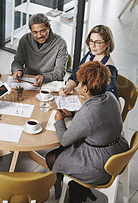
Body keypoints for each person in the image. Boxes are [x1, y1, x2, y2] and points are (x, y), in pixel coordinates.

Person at [46, 61, 129, 202]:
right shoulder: (110, 97)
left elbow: (65, 140)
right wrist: (72, 114)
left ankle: (76, 194)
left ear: (85, 89)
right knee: (68, 150)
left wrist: (59, 120)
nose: (77, 85)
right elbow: (95, 118)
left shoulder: (88, 114)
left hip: (100, 165)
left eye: (79, 83)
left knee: (51, 157)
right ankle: (79, 190)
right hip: (116, 151)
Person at [59, 25, 118, 98]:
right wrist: (67, 89)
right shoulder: (90, 55)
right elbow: (76, 75)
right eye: (91, 41)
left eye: (98, 42)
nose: (93, 46)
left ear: (107, 43)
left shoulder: (109, 68)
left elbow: (111, 97)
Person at [11, 13, 68, 87]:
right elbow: (17, 61)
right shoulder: (25, 39)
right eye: (35, 32)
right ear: (30, 30)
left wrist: (44, 77)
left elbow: (60, 73)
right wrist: (17, 70)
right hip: (29, 81)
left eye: (42, 31)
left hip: (50, 83)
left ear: (49, 27)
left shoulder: (60, 43)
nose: (39, 35)